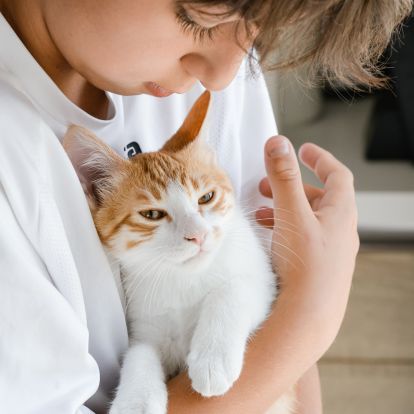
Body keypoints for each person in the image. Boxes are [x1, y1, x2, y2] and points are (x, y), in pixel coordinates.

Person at [0, 1, 411, 413]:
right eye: (194, 20)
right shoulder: (15, 154)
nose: (223, 75)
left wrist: (300, 316)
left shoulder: (215, 81)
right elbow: (290, 328)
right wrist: (310, 317)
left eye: (254, 34)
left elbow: (274, 306)